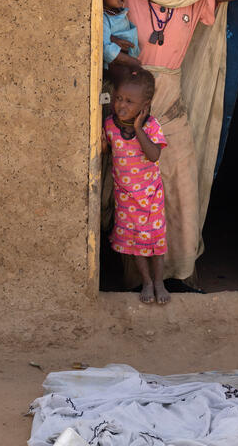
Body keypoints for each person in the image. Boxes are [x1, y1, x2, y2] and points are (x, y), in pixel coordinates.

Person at [124, 0, 238, 283]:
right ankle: (138, 279)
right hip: (135, 105)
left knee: (181, 189)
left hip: (172, 106)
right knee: (137, 194)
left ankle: (181, 272)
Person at [103, 68, 170, 304]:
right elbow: (107, 150)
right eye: (119, 98)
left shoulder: (151, 127)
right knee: (134, 243)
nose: (122, 105)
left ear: (145, 105)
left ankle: (160, 281)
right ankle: (147, 282)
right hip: (125, 198)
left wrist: (139, 127)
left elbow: (153, 155)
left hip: (150, 198)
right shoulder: (110, 126)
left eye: (129, 102)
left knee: (155, 243)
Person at [102, 0, 141, 86]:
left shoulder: (120, 13)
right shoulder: (104, 18)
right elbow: (105, 48)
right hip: (114, 64)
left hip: (127, 61)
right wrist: (131, 62)